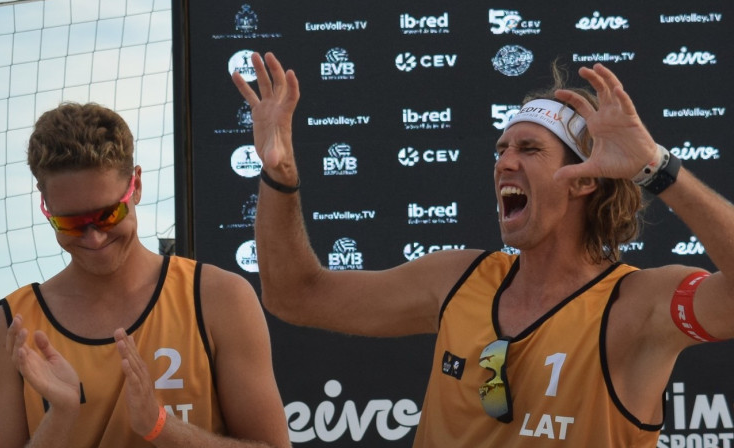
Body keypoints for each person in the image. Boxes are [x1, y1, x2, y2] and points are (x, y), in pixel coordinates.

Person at [232, 51, 734, 446]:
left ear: (585, 180)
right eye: (501, 150)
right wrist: (279, 175)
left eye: (530, 149)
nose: (504, 163)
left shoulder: (635, 304)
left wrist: (655, 168)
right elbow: (293, 295)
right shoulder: (459, 279)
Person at [0, 103, 291, 448]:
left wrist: (160, 427)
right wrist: (61, 415)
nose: (94, 237)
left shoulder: (217, 298)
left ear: (136, 185)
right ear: (46, 206)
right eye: (71, 223)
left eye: (109, 214)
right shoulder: (8, 328)